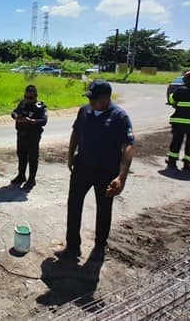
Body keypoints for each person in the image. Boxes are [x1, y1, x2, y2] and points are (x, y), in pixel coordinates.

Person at [55, 79, 134, 259]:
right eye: (89, 98)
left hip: (106, 171)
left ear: (106, 98)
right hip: (82, 167)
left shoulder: (119, 117)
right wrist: (69, 156)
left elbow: (128, 146)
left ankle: (100, 246)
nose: (90, 102)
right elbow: (76, 132)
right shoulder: (84, 111)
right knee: (74, 205)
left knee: (104, 208)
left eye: (94, 98)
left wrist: (121, 177)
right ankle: (73, 247)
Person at [10, 85, 48, 190]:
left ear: (36, 97)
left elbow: (44, 121)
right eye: (26, 97)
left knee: (32, 158)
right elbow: (13, 112)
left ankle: (32, 179)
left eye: (30, 98)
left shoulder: (40, 107)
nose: (27, 99)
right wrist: (16, 117)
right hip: (21, 134)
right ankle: (21, 176)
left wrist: (30, 121)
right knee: (21, 156)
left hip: (33, 136)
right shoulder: (22, 103)